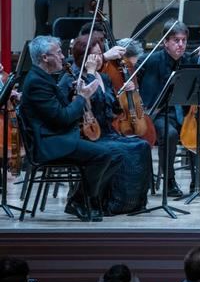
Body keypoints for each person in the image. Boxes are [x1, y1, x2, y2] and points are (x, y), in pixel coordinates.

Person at [20, 36, 122, 222]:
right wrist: (82, 98)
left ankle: (82, 198)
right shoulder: (37, 82)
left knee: (116, 154)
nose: (63, 57)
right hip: (49, 144)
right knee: (105, 155)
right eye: (58, 53)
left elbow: (61, 110)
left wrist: (75, 93)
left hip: (58, 136)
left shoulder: (44, 78)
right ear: (45, 57)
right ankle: (79, 200)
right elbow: (63, 118)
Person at [58, 33, 151, 215]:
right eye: (94, 55)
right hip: (87, 135)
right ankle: (109, 202)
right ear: (82, 56)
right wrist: (91, 73)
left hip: (107, 131)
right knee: (121, 151)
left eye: (101, 54)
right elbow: (78, 105)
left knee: (142, 145)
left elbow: (113, 110)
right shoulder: (73, 78)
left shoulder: (105, 78)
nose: (99, 59)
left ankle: (133, 202)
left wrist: (126, 93)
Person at [137, 20, 200, 197]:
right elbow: (133, 86)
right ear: (165, 42)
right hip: (159, 114)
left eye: (184, 40)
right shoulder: (150, 60)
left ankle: (198, 182)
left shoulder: (190, 60)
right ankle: (169, 181)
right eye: (176, 40)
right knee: (170, 134)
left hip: (185, 114)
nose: (181, 45)